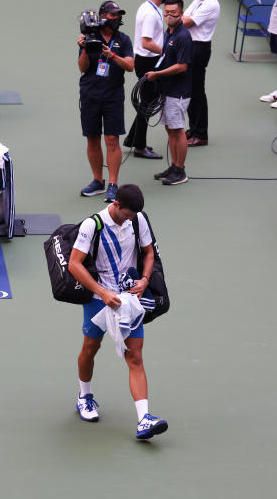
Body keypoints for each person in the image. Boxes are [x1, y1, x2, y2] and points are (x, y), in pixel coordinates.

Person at [67, 184, 168, 440]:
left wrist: (144, 280)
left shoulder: (138, 219)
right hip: (98, 297)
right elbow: (74, 264)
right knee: (91, 347)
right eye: (128, 214)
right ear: (116, 205)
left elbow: (148, 253)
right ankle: (84, 396)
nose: (131, 218)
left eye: (134, 215)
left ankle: (144, 419)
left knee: (135, 356)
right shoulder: (92, 226)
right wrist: (102, 292)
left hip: (128, 300)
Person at [77, 1, 134, 203]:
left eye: (118, 15)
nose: (116, 18)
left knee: (112, 140)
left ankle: (113, 184)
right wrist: (84, 49)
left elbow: (130, 66)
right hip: (90, 95)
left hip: (113, 97)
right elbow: (82, 67)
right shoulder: (90, 37)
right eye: (112, 15)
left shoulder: (123, 40)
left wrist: (112, 55)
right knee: (92, 138)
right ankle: (97, 181)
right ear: (102, 17)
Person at [146, 0, 192, 186]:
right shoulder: (169, 33)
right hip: (167, 90)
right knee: (170, 129)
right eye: (166, 12)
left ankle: (180, 171)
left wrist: (157, 74)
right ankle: (174, 166)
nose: (169, 15)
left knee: (178, 130)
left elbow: (182, 66)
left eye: (174, 12)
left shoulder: (183, 36)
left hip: (178, 92)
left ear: (181, 14)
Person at [126, 0, 167, 160]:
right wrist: (167, 51)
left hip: (146, 60)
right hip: (148, 62)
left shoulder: (149, 7)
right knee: (148, 103)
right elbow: (147, 42)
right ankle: (140, 147)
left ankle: (132, 139)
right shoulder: (150, 14)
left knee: (148, 101)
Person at [182, 0, 221, 147]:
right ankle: (193, 128)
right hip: (191, 45)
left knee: (197, 91)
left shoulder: (211, 4)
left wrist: (178, 17)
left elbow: (186, 21)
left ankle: (201, 134)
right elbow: (184, 14)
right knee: (189, 90)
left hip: (199, 48)